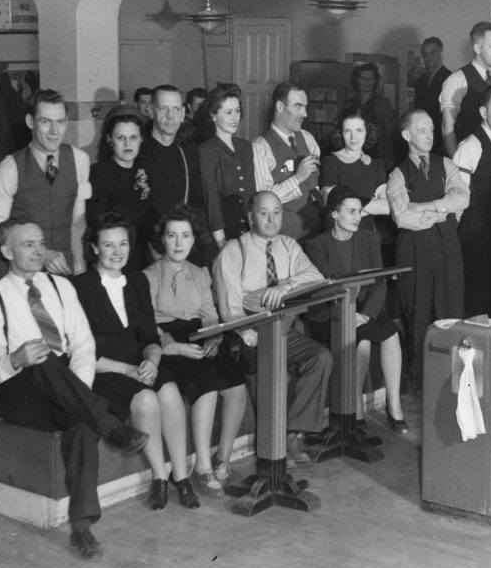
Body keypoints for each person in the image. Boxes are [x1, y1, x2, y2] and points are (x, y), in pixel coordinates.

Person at [0, 219, 151, 561]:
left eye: (41, 242)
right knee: (40, 358)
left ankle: (82, 527)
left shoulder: (61, 287)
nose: (38, 250)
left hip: (66, 389)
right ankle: (113, 426)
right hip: (18, 392)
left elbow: (84, 346)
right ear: (8, 251)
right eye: (28, 244)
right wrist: (16, 357)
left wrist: (77, 392)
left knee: (83, 423)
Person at [71, 212, 201, 509]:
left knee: (168, 392)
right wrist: (128, 369)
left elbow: (150, 338)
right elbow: (81, 352)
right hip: (104, 369)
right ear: (93, 248)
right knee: (145, 399)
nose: (118, 252)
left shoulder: (138, 281)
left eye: (123, 244)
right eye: (108, 245)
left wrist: (152, 361)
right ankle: (159, 477)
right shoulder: (79, 287)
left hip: (139, 361)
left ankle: (181, 478)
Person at [213, 191, 333, 467]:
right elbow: (229, 309)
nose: (271, 219)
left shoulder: (289, 246)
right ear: (250, 216)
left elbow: (314, 276)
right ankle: (273, 448)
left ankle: (293, 433)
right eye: (264, 213)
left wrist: (285, 286)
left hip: (283, 328)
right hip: (247, 333)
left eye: (277, 212)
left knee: (321, 357)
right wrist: (250, 336)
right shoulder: (234, 250)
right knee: (270, 364)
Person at [144, 204, 248, 492]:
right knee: (207, 383)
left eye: (185, 236)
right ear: (162, 239)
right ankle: (202, 467)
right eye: (172, 236)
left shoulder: (200, 274)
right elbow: (148, 326)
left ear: (194, 238)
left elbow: (211, 316)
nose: (179, 243)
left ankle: (222, 459)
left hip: (200, 336)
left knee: (237, 386)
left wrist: (214, 338)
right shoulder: (149, 276)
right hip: (168, 344)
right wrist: (174, 347)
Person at [304, 186, 408, 433]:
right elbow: (328, 287)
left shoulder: (369, 238)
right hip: (332, 312)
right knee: (360, 340)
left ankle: (394, 406)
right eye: (351, 211)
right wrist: (354, 308)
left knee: (390, 333)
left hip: (363, 308)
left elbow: (379, 281)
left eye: (359, 212)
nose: (357, 217)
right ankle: (356, 411)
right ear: (333, 214)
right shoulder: (316, 245)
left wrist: (366, 314)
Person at [387, 110, 469, 385]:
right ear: (407, 135)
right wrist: (441, 211)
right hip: (414, 248)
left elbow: (462, 197)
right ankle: (420, 377)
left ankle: (452, 377)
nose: (430, 135)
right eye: (423, 130)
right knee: (418, 311)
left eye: (432, 130)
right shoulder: (397, 174)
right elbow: (401, 216)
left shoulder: (447, 164)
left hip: (447, 246)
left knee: (451, 307)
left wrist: (427, 207)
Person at [0, 89, 92, 275]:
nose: (54, 131)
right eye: (46, 122)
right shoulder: (8, 169)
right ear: (30, 122)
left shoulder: (80, 160)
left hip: (65, 272)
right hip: (22, 277)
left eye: (60, 122)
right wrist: (41, 254)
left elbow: (77, 225)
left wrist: (81, 269)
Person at [452, 85, 491, 324]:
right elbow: (458, 198)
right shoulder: (470, 146)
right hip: (477, 237)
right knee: (476, 304)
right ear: (483, 112)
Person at [252, 81, 323, 241]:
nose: (304, 113)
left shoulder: (308, 138)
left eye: (305, 107)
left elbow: (316, 182)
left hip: (315, 232)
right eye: (298, 106)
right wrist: (297, 178)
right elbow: (263, 200)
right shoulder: (260, 147)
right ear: (279, 106)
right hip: (283, 237)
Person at [88, 105, 154, 270]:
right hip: (114, 256)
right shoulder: (98, 172)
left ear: (141, 139)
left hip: (145, 254)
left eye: (133, 137)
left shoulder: (146, 169)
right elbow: (96, 222)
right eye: (120, 138)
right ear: (109, 139)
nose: (127, 144)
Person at [141, 83, 204, 257]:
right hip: (146, 253)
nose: (170, 116)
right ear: (151, 111)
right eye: (163, 109)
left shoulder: (189, 157)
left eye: (176, 109)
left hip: (181, 251)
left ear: (183, 114)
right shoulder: (138, 156)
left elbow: (195, 206)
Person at [197, 83, 257, 251]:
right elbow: (212, 200)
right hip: (223, 234)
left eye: (237, 111)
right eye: (228, 112)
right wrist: (222, 244)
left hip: (249, 231)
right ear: (213, 115)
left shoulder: (245, 147)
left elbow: (252, 192)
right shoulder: (207, 150)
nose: (235, 118)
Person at [439, 21, 491, 156]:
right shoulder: (457, 80)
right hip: (471, 160)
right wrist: (458, 164)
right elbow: (447, 126)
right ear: (477, 49)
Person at [319, 108, 391, 233]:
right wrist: (371, 204)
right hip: (339, 237)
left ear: (367, 132)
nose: (353, 137)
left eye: (359, 130)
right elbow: (330, 203)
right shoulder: (331, 162)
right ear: (340, 133)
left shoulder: (376, 165)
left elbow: (386, 207)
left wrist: (348, 203)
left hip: (368, 235)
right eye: (347, 131)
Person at [345, 62, 399, 168]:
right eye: (363, 78)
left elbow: (390, 133)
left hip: (376, 158)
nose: (367, 82)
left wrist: (389, 159)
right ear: (357, 80)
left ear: (375, 81)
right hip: (353, 157)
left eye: (370, 79)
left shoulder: (383, 103)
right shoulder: (350, 102)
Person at [413, 36, 451, 156]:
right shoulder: (420, 81)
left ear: (441, 54)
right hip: (421, 139)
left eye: (432, 53)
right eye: (425, 54)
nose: (428, 57)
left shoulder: (450, 79)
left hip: (442, 141)